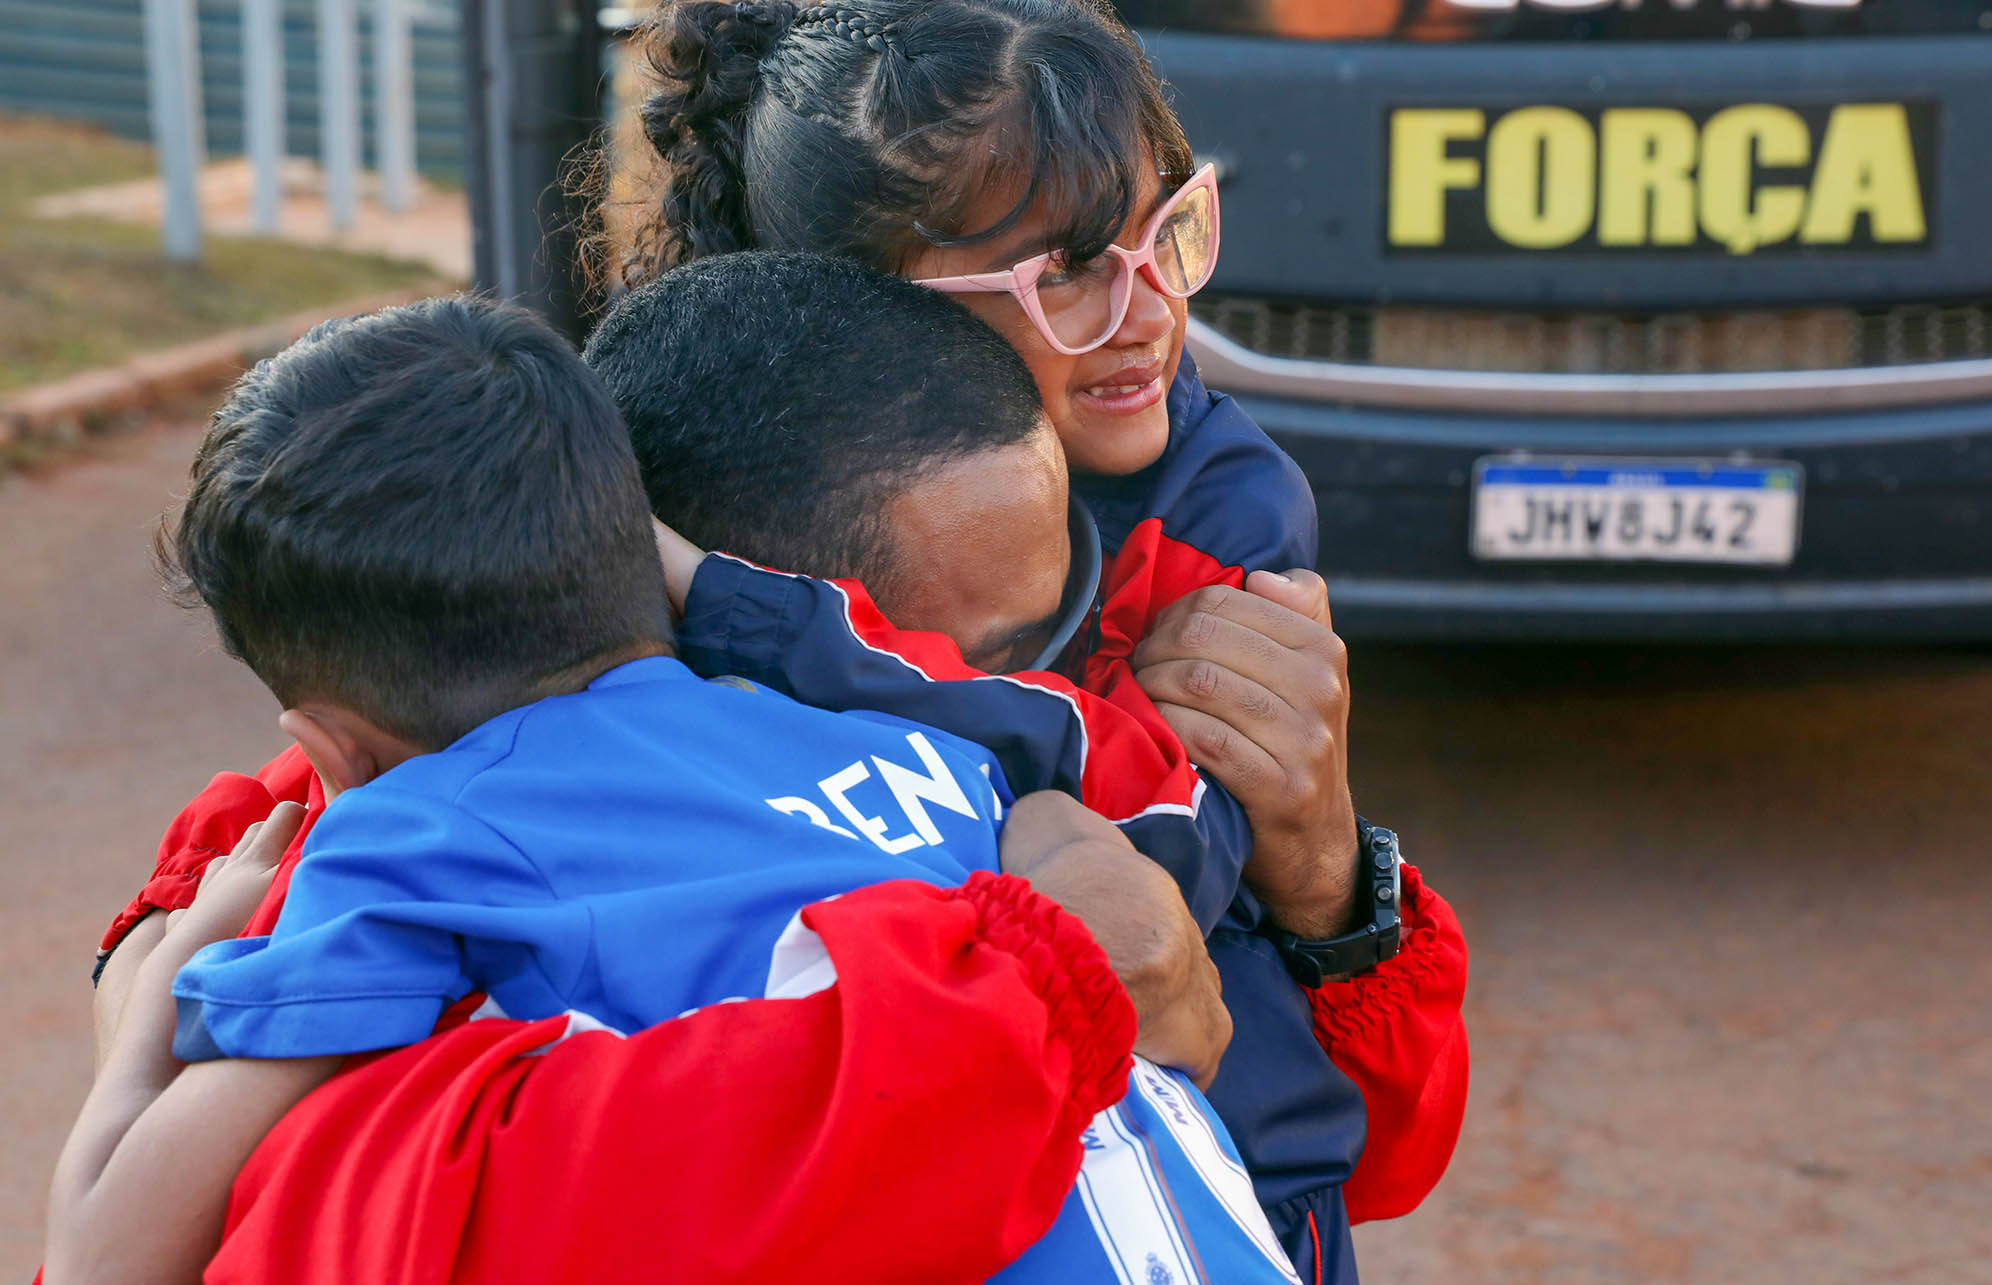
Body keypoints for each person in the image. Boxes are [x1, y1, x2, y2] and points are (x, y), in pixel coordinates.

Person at [49, 291, 1290, 1285]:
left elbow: (111, 1252)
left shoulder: (413, 837)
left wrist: (151, 1009)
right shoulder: (929, 758)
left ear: (332, 746)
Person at [606, 3, 1471, 1272]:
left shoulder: (1219, 497)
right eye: (1062, 269)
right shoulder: (727, 488)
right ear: (855, 314)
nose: (1145, 311)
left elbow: (1151, 882)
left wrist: (759, 619)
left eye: (1164, 232)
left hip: (1225, 1187)